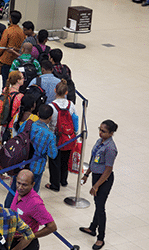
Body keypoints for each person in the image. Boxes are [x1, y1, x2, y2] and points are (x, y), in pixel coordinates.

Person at [5, 104, 58, 208]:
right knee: (30, 194)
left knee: (14, 190)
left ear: (37, 114)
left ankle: (7, 209)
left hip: (21, 163)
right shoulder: (50, 135)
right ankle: (24, 214)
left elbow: (19, 138)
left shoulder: (27, 125)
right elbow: (53, 155)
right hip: (36, 169)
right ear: (50, 117)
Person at [79, 120, 118, 250]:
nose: (100, 133)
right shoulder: (99, 142)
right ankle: (92, 228)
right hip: (96, 176)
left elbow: (108, 170)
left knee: (101, 208)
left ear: (111, 133)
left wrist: (96, 186)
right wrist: (86, 174)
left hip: (104, 180)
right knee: (98, 204)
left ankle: (100, 238)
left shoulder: (110, 148)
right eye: (100, 130)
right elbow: (93, 160)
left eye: (104, 131)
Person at [10, 170, 57, 250]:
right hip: (12, 238)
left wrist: (31, 235)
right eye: (18, 183)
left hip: (25, 244)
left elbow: (52, 227)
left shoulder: (35, 203)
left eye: (24, 185)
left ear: (33, 185)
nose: (20, 187)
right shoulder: (19, 192)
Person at [46, 80, 79, 192]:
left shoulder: (51, 106)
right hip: (68, 137)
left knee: (54, 161)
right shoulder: (71, 105)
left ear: (55, 90)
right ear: (66, 92)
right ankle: (63, 180)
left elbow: (49, 123)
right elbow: (75, 120)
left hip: (55, 138)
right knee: (65, 160)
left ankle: (55, 184)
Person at [0, 10, 25, 87]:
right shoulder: (22, 32)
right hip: (17, 60)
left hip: (7, 60)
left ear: (10, 19)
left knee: (5, 83)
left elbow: (1, 46)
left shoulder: (8, 31)